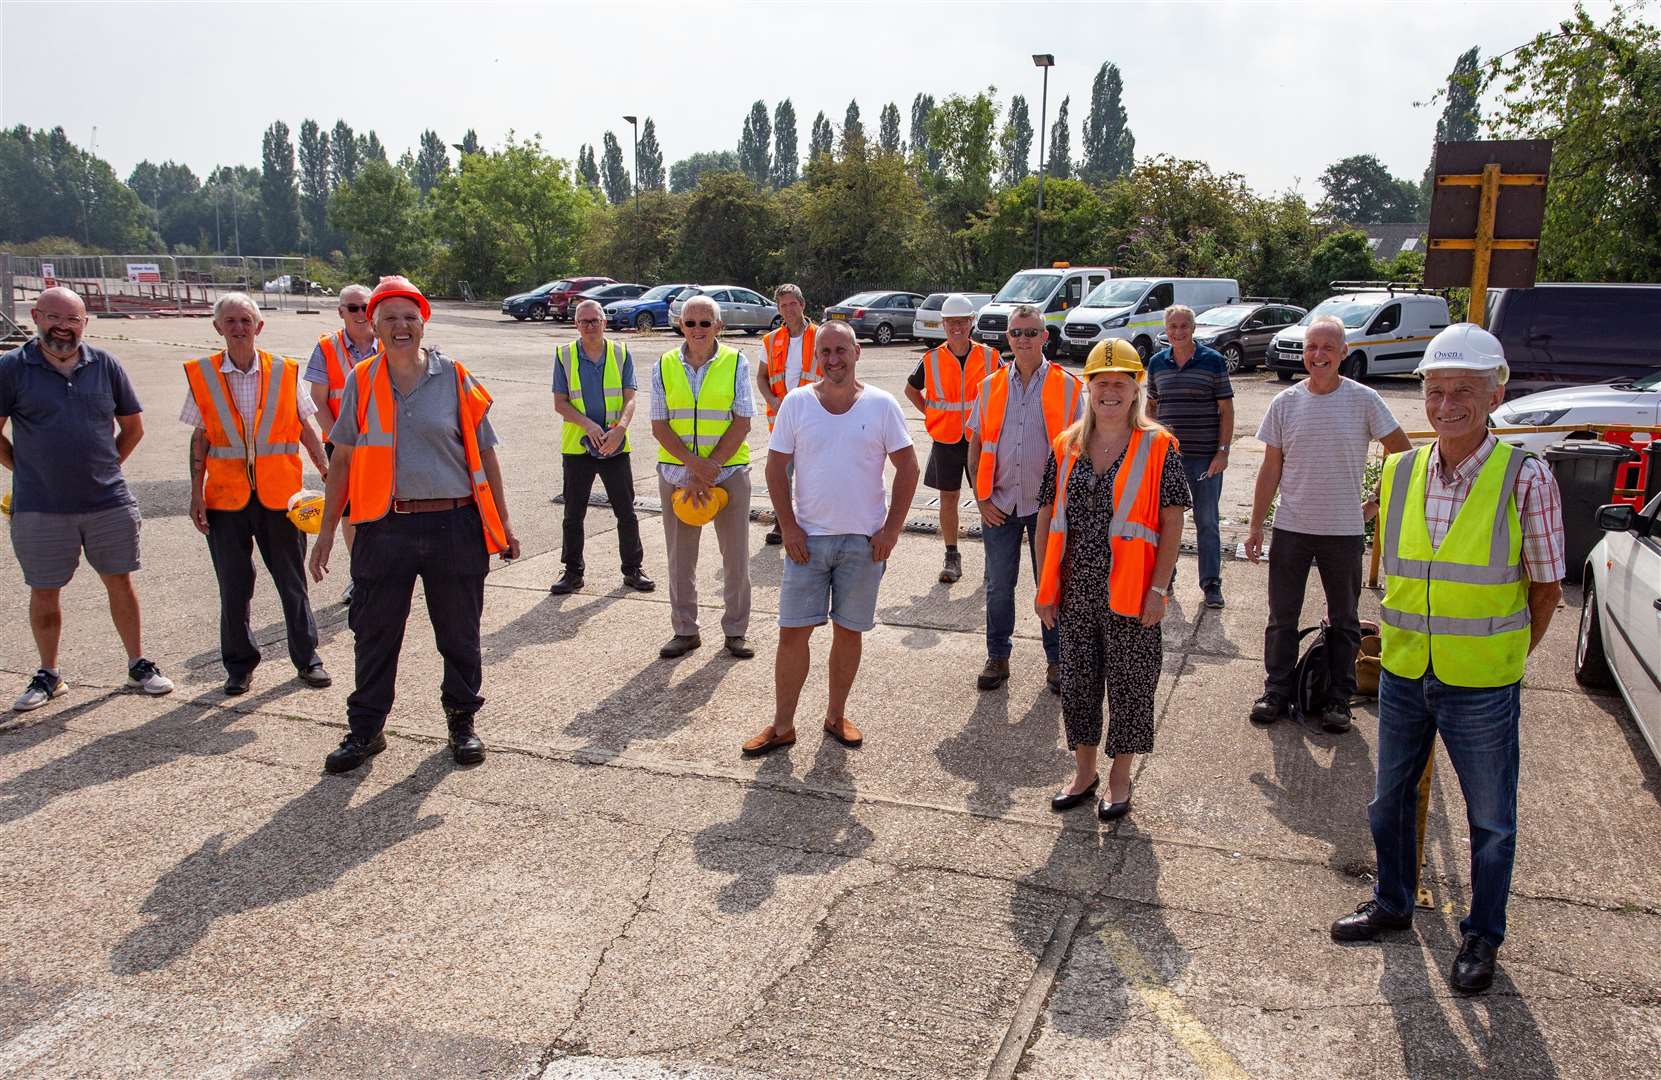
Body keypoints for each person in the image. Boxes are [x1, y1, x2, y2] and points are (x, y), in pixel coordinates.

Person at [1331, 325, 1564, 995]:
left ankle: (1481, 937)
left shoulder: (1526, 478)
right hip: (1404, 670)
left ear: (1495, 392)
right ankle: (1393, 904)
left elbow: (1546, 588)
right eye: (1435, 390)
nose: (1446, 404)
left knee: (1489, 821)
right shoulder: (1400, 471)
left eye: (1463, 390)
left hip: (1482, 684)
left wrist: (1508, 657)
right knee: (1386, 806)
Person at [308, 276, 521, 773]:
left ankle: (462, 722)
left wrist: (503, 523)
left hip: (454, 525)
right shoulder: (361, 379)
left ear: (423, 322)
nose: (400, 327)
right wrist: (324, 531)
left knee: (460, 633)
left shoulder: (455, 376)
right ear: (373, 325)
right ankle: (366, 730)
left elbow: (486, 453)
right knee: (375, 633)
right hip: (385, 527)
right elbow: (341, 460)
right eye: (390, 318)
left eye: (410, 317)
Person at [741, 320, 918, 756]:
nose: (834, 359)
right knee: (792, 634)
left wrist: (891, 531)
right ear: (816, 357)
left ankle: (836, 715)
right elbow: (775, 469)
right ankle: (783, 725)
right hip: (808, 543)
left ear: (857, 351)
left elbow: (909, 469)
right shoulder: (797, 403)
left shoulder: (881, 405)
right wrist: (790, 527)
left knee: (848, 633)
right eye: (825, 352)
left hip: (863, 544)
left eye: (841, 350)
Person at [1034, 340, 1188, 820]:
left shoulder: (1159, 445)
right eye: (1102, 383)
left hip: (1134, 591)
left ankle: (1120, 777)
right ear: (1089, 388)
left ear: (1136, 389)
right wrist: (1044, 585)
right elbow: (1046, 515)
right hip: (1076, 588)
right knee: (1078, 683)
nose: (1110, 392)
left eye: (1120, 383)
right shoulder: (1066, 444)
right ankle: (1084, 772)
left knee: (1131, 686)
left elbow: (1173, 521)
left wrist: (1160, 589)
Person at [0, 286, 173, 709]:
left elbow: (132, 427)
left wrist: (107, 467)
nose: (63, 326)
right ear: (37, 316)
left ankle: (137, 664)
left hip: (106, 502)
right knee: (44, 589)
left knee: (120, 581)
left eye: (72, 319)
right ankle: (48, 674)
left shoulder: (105, 365)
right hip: (40, 506)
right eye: (54, 317)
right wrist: (24, 468)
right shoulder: (12, 368)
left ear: (85, 323)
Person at [1245, 315, 1412, 732]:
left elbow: (1402, 453)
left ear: (1344, 354)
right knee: (1282, 616)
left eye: (1327, 348)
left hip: (1344, 531)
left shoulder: (1364, 399)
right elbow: (1270, 469)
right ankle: (1276, 691)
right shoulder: (1285, 402)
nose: (1318, 355)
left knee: (1345, 619)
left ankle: (1339, 698)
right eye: (1311, 347)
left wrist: (1375, 502)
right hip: (1292, 528)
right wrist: (1255, 525)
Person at [182, 292, 332, 695]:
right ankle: (239, 665)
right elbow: (200, 440)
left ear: (259, 327)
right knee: (234, 585)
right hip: (226, 500)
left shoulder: (284, 371)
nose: (239, 328)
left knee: (292, 582)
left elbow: (305, 428)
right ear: (218, 327)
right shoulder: (204, 374)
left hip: (279, 498)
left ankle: (307, 659)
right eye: (230, 321)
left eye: (246, 320)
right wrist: (196, 493)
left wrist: (326, 471)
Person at [965, 304, 1081, 694]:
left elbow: (1083, 450)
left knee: (1050, 583)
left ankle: (1057, 661)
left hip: (1049, 509)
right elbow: (977, 444)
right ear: (1007, 338)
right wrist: (981, 498)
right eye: (1016, 333)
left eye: (1031, 332)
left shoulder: (1070, 387)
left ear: (1045, 337)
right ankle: (997, 656)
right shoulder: (990, 386)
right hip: (999, 505)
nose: (1023, 339)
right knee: (999, 585)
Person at [651, 293, 756, 660]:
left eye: (705, 323)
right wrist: (693, 468)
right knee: (680, 558)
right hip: (678, 475)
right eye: (690, 322)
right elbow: (659, 425)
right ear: (680, 324)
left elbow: (742, 421)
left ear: (719, 327)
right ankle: (685, 630)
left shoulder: (736, 362)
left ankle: (736, 632)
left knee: (736, 557)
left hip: (727, 474)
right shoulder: (663, 365)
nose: (697, 329)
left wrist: (708, 469)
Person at [549, 299, 653, 595]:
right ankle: (572, 572)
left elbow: (630, 398)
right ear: (576, 325)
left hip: (615, 446)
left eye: (595, 320)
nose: (590, 326)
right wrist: (589, 426)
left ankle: (633, 570)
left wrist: (620, 429)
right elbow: (560, 403)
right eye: (584, 322)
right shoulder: (564, 355)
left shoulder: (620, 354)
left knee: (626, 512)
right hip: (578, 448)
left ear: (604, 322)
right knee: (573, 513)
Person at [905, 293, 999, 585]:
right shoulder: (931, 359)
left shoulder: (989, 356)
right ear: (943, 325)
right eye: (950, 323)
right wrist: (931, 414)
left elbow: (1003, 392)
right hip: (945, 439)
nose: (956, 328)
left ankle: (992, 559)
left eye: (961, 322)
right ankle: (951, 556)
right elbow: (911, 390)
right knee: (949, 498)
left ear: (971, 322)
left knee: (987, 498)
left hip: (980, 440)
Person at [1146, 304, 1234, 609]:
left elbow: (1226, 410)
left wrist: (1222, 453)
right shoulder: (1157, 363)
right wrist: (1151, 447)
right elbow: (1151, 408)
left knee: (1207, 522)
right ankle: (1165, 577)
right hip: (1168, 460)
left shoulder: (1213, 362)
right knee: (1164, 522)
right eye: (1172, 327)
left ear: (1193, 329)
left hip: (1205, 458)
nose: (1178, 332)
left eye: (1184, 326)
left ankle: (1211, 585)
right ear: (1165, 330)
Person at [303, 283, 378, 604]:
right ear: (341, 312)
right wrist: (340, 441)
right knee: (348, 512)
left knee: (385, 508)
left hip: (382, 443)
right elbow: (318, 401)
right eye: (353, 308)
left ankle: (385, 572)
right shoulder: (326, 348)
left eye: (365, 307)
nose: (360, 314)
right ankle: (359, 575)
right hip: (341, 443)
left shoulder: (388, 342)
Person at [755, 283, 818, 546]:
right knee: (781, 473)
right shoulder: (770, 341)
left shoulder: (821, 335)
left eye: (793, 304)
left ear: (802, 305)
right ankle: (783, 523)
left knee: (813, 473)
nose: (789, 309)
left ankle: (813, 521)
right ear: (778, 309)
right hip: (782, 419)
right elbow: (761, 377)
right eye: (783, 305)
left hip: (815, 416)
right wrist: (771, 399)